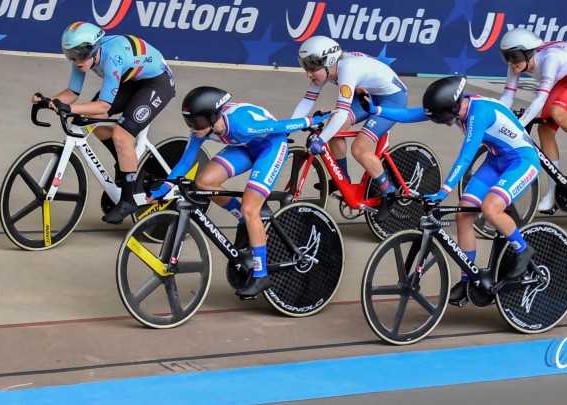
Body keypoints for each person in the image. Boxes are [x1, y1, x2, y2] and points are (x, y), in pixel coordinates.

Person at [363, 75, 540, 305]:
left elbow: (466, 157)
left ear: (456, 105)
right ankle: (469, 281)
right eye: (439, 118)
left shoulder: (479, 113)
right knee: (464, 214)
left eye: (445, 117)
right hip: (498, 160)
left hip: (522, 161)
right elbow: (409, 115)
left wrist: (443, 191)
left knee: (490, 209)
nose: (445, 122)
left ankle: (522, 249)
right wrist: (375, 109)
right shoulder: (454, 108)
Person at [149, 86, 330, 299]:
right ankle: (244, 221)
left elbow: (282, 126)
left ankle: (261, 275)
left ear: (213, 117)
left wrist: (314, 121)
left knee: (250, 209)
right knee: (204, 183)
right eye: (189, 121)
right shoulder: (203, 128)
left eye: (196, 123)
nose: (192, 127)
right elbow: (186, 161)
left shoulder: (240, 124)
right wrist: (166, 187)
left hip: (269, 146)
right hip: (245, 146)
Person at [35, 22, 176, 225]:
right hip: (131, 80)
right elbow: (72, 94)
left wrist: (70, 109)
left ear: (93, 48)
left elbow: (102, 106)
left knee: (121, 135)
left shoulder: (112, 57)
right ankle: (123, 162)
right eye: (70, 55)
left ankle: (128, 200)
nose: (76, 60)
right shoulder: (82, 59)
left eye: (80, 54)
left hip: (157, 83)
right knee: (88, 122)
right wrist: (48, 101)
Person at [290, 36, 409, 223]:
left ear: (329, 62)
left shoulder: (348, 70)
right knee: (334, 131)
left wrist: (320, 141)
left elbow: (341, 111)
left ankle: (389, 192)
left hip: (392, 100)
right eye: (306, 68)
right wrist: (288, 128)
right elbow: (307, 102)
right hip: (367, 94)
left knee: (359, 149)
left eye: (312, 69)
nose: (308, 74)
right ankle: (342, 179)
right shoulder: (328, 69)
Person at [498, 28, 567, 213]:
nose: (511, 62)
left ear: (529, 52)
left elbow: (540, 100)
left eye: (515, 56)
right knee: (544, 128)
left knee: (557, 111)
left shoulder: (550, 59)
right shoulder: (515, 64)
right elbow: (507, 98)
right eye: (506, 56)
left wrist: (518, 125)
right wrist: (495, 118)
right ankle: (555, 188)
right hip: (566, 77)